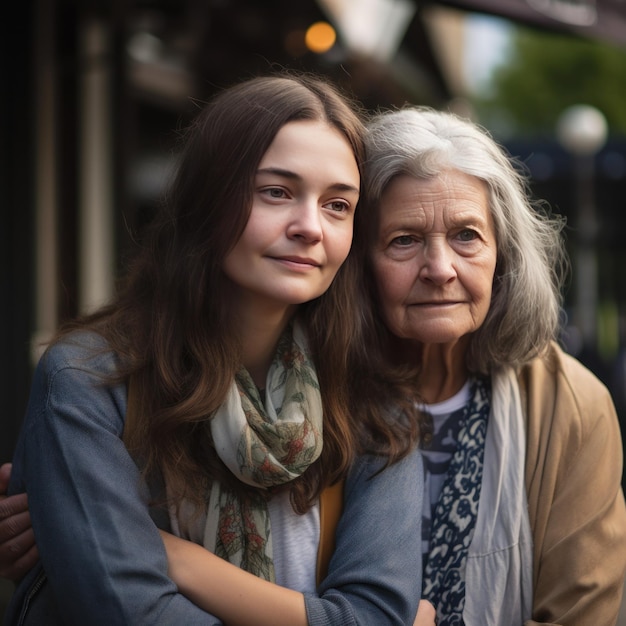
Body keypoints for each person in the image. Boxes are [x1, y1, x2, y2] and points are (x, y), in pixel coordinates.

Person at [0, 74, 428, 625]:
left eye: (338, 205)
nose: (310, 227)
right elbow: (132, 613)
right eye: (275, 191)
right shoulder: (89, 380)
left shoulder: (372, 398)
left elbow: (376, 615)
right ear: (209, 198)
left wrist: (176, 557)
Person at [353, 105, 626, 625]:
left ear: (503, 256)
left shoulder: (573, 407)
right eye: (404, 240)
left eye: (466, 236)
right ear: (359, 260)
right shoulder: (311, 390)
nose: (439, 269)